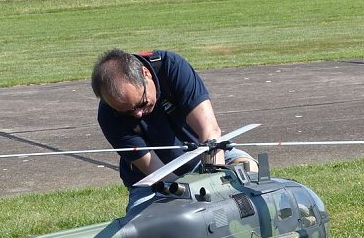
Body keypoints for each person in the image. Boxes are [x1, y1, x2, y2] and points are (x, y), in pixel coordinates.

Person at [91, 48, 257, 212]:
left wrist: (215, 185)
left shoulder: (172, 67)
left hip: (204, 157)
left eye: (141, 103)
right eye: (126, 112)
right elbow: (156, 171)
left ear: (145, 74)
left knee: (250, 171)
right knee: (150, 224)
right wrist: (188, 194)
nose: (138, 114)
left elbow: (210, 132)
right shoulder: (108, 116)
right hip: (155, 180)